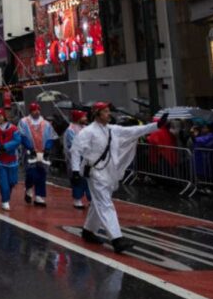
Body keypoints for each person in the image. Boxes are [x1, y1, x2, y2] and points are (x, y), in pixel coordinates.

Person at [70, 102, 165, 253]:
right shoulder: (87, 132)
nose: (109, 114)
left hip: (108, 173)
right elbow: (75, 150)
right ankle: (117, 239)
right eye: (106, 111)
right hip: (95, 173)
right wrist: (75, 171)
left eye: (108, 111)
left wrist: (156, 125)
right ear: (97, 114)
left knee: (98, 203)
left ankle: (88, 231)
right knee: (105, 204)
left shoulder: (112, 130)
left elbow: (134, 131)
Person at [18, 102, 56, 206]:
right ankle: (29, 188)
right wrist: (30, 147)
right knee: (31, 173)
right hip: (29, 153)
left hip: (43, 152)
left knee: (42, 173)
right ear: (30, 111)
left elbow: (51, 137)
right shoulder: (24, 122)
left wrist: (47, 148)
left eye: (38, 109)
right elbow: (22, 136)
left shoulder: (46, 123)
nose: (37, 112)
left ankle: (39, 196)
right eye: (34, 110)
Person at [0, 109, 21, 211]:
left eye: (0, 115)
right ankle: (5, 201)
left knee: (12, 182)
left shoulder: (13, 128)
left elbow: (17, 141)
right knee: (4, 182)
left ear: (4, 116)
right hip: (0, 160)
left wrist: (6, 146)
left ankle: (6, 197)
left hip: (12, 159)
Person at [63, 110, 91, 209]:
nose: (86, 119)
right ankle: (77, 199)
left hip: (87, 159)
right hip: (76, 160)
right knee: (78, 179)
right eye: (83, 117)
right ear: (78, 118)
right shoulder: (70, 130)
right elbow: (74, 145)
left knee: (89, 179)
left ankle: (91, 199)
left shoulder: (86, 128)